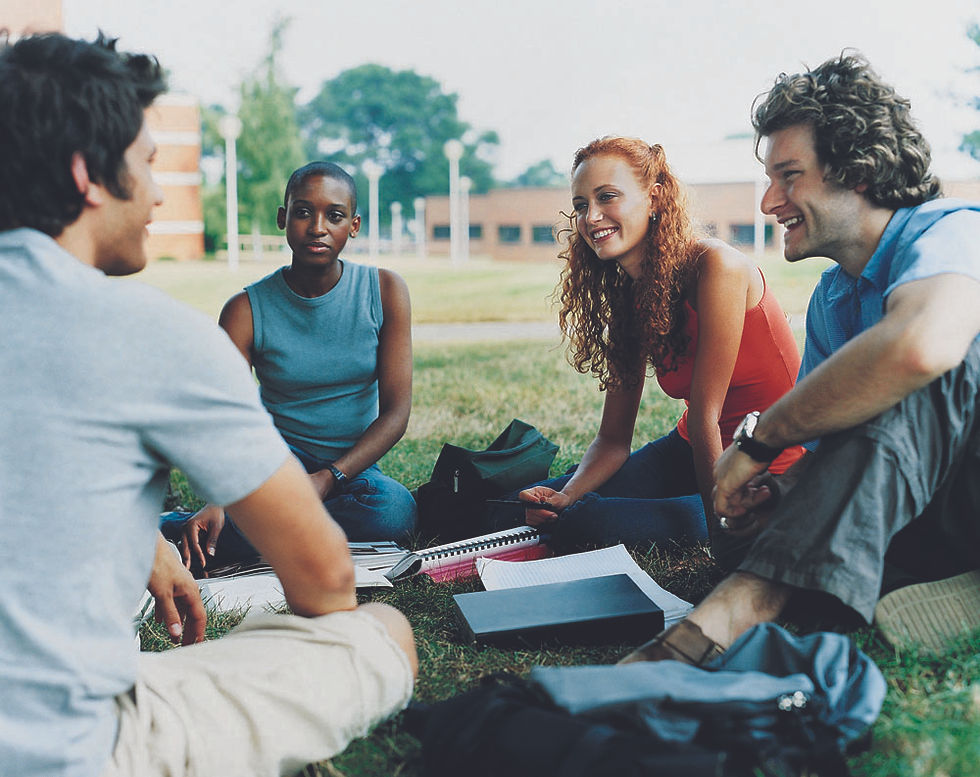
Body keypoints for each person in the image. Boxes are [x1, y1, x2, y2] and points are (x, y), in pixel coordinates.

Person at [0, 32, 416, 777]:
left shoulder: (379, 291)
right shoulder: (156, 332)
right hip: (68, 748)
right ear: (87, 175)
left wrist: (148, 545)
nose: (159, 192)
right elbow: (325, 582)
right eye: (149, 165)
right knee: (385, 627)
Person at [622, 53, 980, 666]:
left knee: (906, 377)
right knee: (747, 536)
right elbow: (836, 461)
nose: (769, 202)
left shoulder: (951, 231)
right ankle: (934, 583)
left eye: (789, 176)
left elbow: (921, 347)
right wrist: (774, 491)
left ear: (859, 171)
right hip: (924, 501)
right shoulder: (835, 298)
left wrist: (760, 441)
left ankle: (738, 609)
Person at [493, 136, 804, 552]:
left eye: (607, 197)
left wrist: (723, 531)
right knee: (526, 505)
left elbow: (705, 416)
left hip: (766, 467)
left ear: (655, 198)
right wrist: (568, 494)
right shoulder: (632, 292)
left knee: (587, 523)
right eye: (582, 205)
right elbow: (613, 440)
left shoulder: (718, 267)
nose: (591, 217)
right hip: (692, 450)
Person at [175, 160, 417, 569]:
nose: (317, 227)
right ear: (283, 219)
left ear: (353, 226)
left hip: (350, 471)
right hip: (274, 461)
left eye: (334, 215)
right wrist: (220, 497)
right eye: (303, 212)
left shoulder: (385, 291)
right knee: (219, 519)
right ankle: (211, 528)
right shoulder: (245, 310)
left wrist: (327, 479)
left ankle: (251, 533)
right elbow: (226, 419)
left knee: (394, 512)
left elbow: (396, 413)